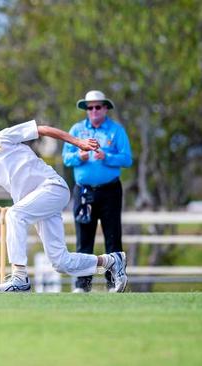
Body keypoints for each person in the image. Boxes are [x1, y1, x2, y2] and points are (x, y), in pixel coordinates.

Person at [0, 120, 128, 293]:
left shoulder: (3, 138)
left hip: (53, 186)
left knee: (14, 214)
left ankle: (19, 277)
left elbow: (42, 129)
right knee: (61, 262)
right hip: (38, 205)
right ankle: (112, 261)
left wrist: (77, 142)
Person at [62, 90, 133, 293]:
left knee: (113, 237)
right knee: (84, 238)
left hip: (110, 190)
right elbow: (67, 158)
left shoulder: (115, 131)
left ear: (105, 108)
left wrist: (107, 157)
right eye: (90, 107)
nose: (93, 111)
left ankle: (115, 283)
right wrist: (79, 156)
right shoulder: (76, 130)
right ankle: (82, 285)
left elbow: (127, 159)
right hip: (83, 192)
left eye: (98, 107)